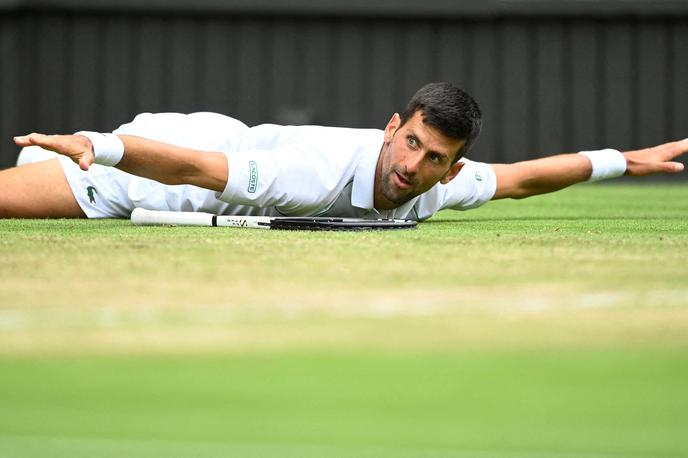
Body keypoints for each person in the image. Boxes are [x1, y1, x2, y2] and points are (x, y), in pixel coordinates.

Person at [0, 82, 685, 220]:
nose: (413, 165)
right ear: (391, 127)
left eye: (434, 158)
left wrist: (622, 160)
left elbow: (522, 179)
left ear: (453, 166)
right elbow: (189, 168)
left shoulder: (442, 183)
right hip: (149, 173)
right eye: (410, 141)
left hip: (216, 142)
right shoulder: (311, 172)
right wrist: (97, 146)